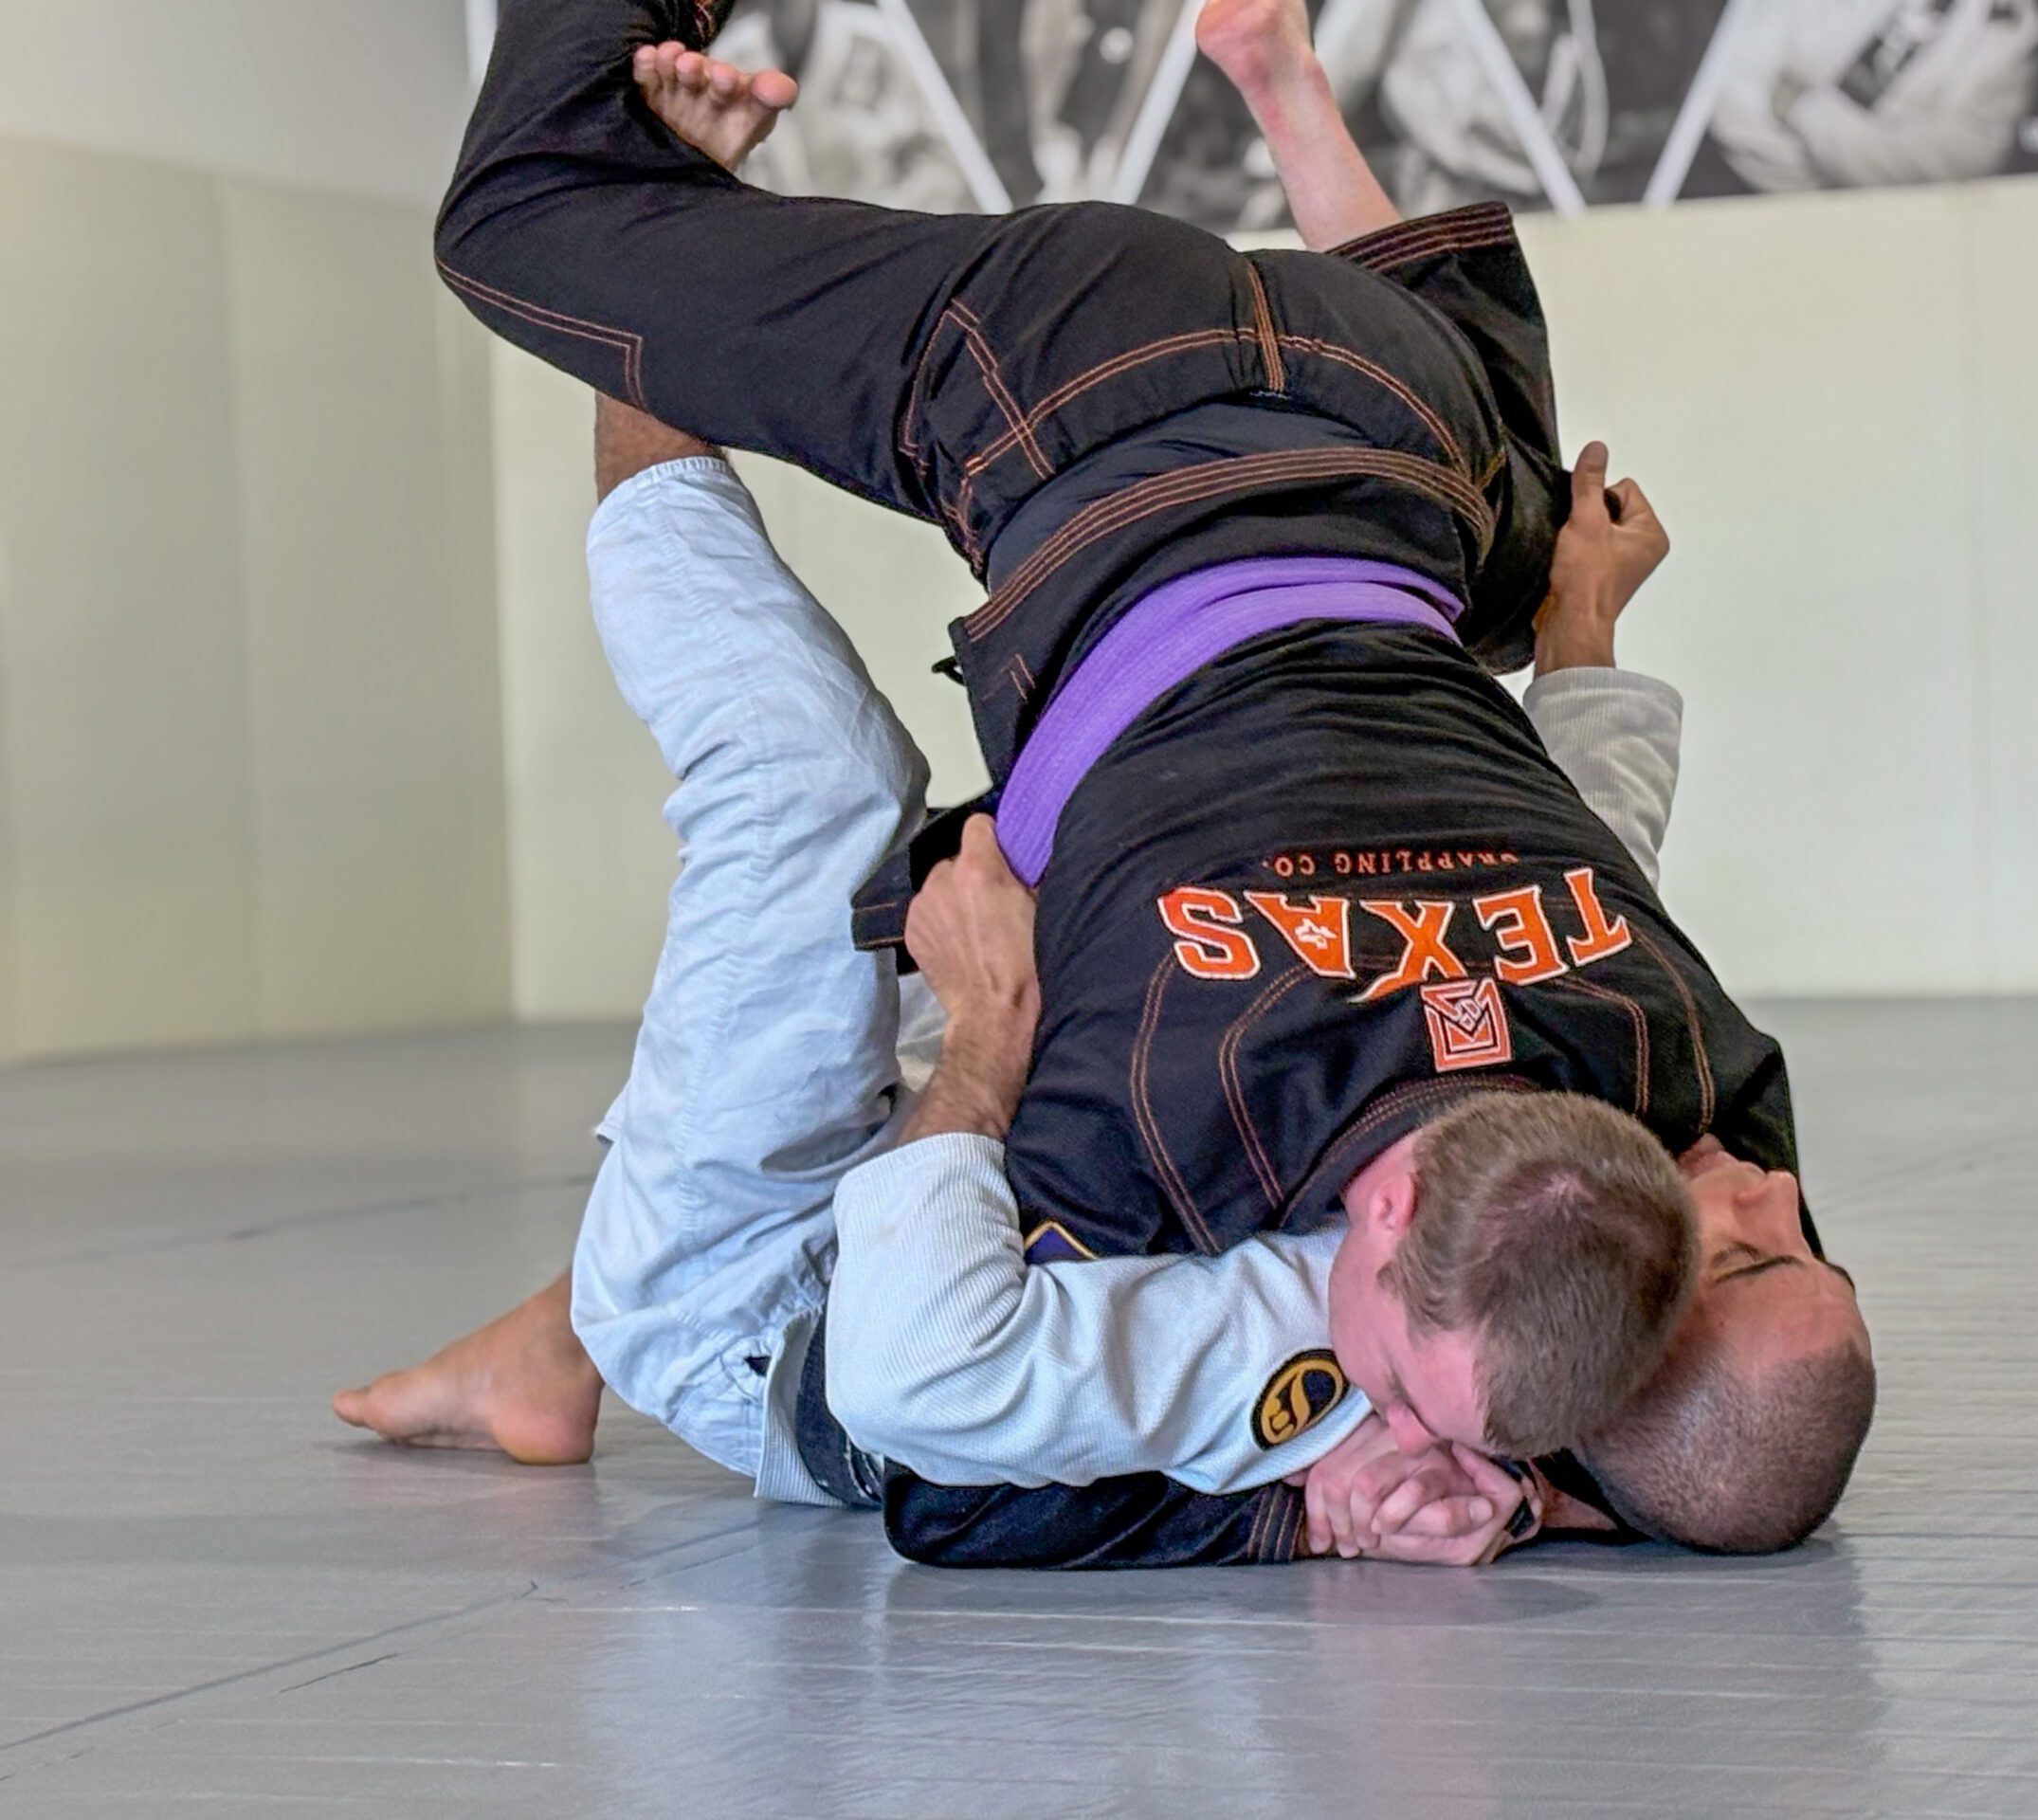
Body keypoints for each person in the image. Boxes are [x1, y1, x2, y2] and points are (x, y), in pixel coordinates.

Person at [433, 0, 1871, 1559]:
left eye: (1730, 1263)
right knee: (560, 261)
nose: (1766, 1201)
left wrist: (1579, 614)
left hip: (1380, 399)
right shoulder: (1290, 1144)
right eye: (1772, 1254)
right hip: (1068, 409)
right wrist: (1291, 1516)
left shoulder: (1585, 1101)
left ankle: (549, 1349)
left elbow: (1602, 837)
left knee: (1489, 544)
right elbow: (932, 1443)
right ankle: (660, 220)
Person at [337, 379, 1687, 1565]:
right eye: (1756, 1227)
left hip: (776, 1320)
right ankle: (543, 1351)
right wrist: (1580, 631)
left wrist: (1311, 1514)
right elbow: (1578, 871)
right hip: (990, 1200)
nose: (1747, 1187)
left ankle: (635, 319)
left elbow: (924, 1427)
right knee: (1112, 929)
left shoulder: (1295, 1357)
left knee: (816, 785)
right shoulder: (1567, 1199)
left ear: (1387, 1213)